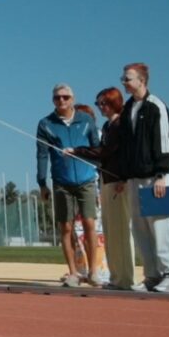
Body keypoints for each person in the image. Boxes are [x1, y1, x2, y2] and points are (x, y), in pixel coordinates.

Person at [97, 66, 169, 292]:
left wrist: (162, 173)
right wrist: (124, 176)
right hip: (133, 178)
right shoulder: (128, 110)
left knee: (161, 226)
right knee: (140, 229)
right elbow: (126, 146)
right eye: (122, 78)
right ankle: (152, 276)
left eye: (127, 78)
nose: (124, 82)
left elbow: (165, 141)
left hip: (155, 177)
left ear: (142, 80)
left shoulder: (156, 106)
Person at [36, 84, 102, 286]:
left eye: (65, 97)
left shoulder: (86, 120)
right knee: (65, 226)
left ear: (72, 99)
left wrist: (97, 174)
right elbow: (42, 154)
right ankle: (73, 272)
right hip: (61, 181)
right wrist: (42, 183)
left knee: (90, 224)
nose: (61, 101)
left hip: (86, 180)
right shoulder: (46, 124)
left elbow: (97, 150)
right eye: (57, 98)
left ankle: (93, 272)